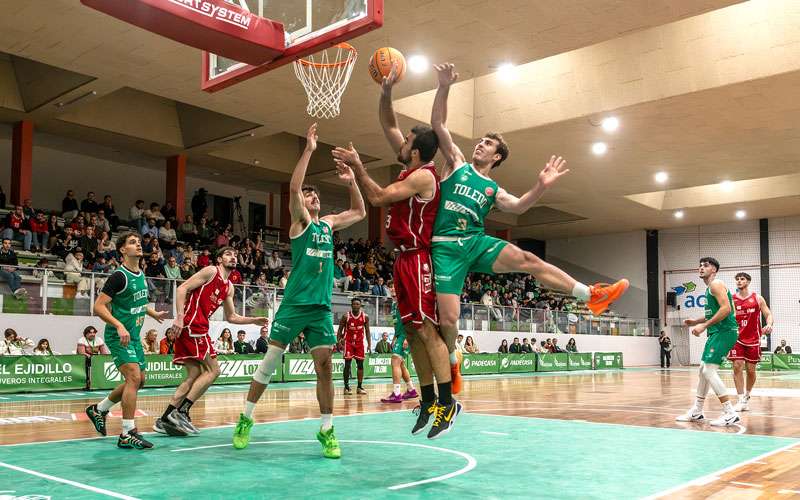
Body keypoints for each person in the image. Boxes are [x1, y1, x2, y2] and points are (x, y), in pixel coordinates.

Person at [429, 62, 629, 392]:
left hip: (476, 242)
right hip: (445, 248)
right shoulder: (457, 164)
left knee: (529, 261)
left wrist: (541, 186)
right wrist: (444, 86)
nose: (480, 144)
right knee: (449, 320)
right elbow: (438, 123)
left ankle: (590, 294)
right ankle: (453, 356)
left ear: (497, 157)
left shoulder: (493, 190)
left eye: (488, 143)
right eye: (480, 140)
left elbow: (519, 206)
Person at [332, 67, 456, 439]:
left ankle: (447, 403)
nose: (398, 143)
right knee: (413, 333)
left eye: (406, 142)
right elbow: (389, 125)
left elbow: (378, 198)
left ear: (415, 150)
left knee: (428, 331)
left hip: (418, 258)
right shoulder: (411, 165)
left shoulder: (423, 176)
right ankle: (428, 398)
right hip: (401, 260)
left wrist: (357, 166)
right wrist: (385, 91)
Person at [233, 123, 365, 458]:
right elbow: (293, 189)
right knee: (269, 362)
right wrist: (308, 148)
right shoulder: (301, 223)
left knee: (325, 366)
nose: (313, 197)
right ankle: (245, 419)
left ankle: (327, 428)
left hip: (319, 308)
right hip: (294, 305)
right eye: (310, 195)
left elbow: (360, 211)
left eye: (316, 194)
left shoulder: (329, 223)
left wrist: (353, 183)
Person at [154, 246, 267, 437]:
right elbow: (182, 288)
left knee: (195, 373)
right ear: (219, 259)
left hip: (197, 327)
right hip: (192, 324)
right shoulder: (211, 271)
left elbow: (231, 317)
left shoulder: (229, 286)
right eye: (228, 254)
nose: (233, 257)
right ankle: (181, 412)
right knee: (214, 370)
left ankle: (165, 418)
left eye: (235, 255)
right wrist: (179, 317)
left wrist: (253, 321)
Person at [85, 232, 169, 449]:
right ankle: (127, 432)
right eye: (133, 242)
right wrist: (119, 325)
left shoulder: (141, 274)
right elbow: (99, 306)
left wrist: (152, 313)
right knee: (133, 377)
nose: (138, 244)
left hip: (134, 337)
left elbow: (137, 303)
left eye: (139, 242)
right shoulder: (118, 276)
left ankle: (99, 409)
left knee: (140, 380)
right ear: (122, 250)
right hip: (118, 336)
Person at [677, 257, 740, 426]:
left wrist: (703, 326)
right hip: (717, 332)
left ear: (714, 270)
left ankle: (730, 412)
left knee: (709, 370)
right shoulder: (709, 289)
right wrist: (696, 322)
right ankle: (697, 411)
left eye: (706, 265)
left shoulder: (716, 284)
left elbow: (726, 309)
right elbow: (713, 312)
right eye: (700, 265)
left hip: (725, 332)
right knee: (703, 369)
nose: (701, 268)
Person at [729, 272, 773, 412]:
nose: (739, 281)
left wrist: (769, 324)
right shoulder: (731, 299)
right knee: (737, 365)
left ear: (748, 282)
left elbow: (768, 314)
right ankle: (740, 399)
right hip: (736, 338)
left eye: (742, 279)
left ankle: (747, 396)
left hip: (753, 339)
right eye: (737, 279)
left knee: (751, 370)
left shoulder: (757, 298)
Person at [380, 302, 418, 403]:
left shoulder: (405, 301)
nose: (392, 288)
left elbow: (412, 319)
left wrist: (407, 337)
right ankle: (411, 390)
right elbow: (397, 324)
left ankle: (396, 394)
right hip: (400, 335)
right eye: (390, 287)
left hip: (406, 335)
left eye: (394, 286)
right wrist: (394, 338)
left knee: (395, 360)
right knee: (400, 364)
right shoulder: (394, 305)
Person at [337, 298, 371, 395]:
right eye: (354, 304)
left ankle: (359, 387)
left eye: (358, 304)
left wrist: (369, 344)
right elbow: (339, 330)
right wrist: (339, 341)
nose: (356, 305)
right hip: (348, 342)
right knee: (347, 364)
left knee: (360, 365)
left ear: (360, 305)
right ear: (351, 305)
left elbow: (367, 331)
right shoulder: (346, 316)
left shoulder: (365, 317)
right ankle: (346, 387)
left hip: (359, 343)